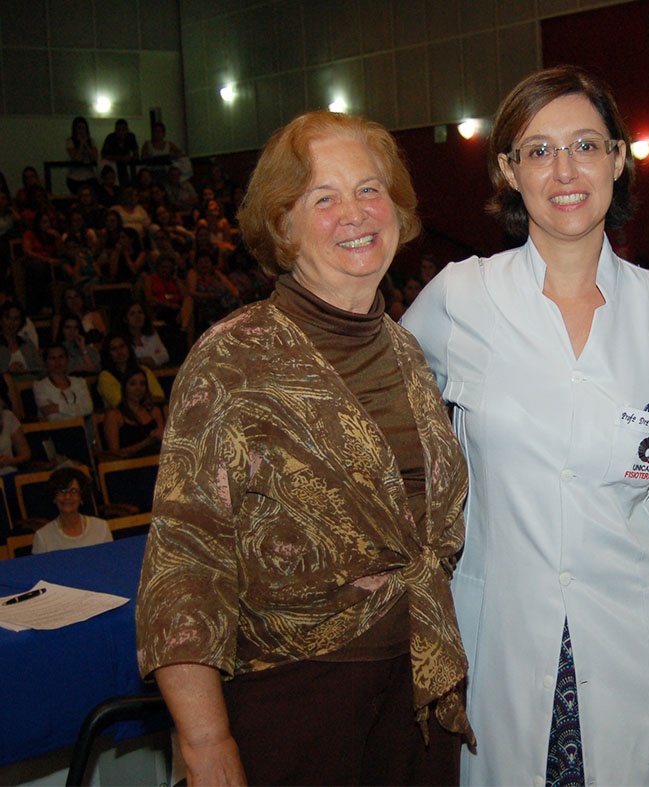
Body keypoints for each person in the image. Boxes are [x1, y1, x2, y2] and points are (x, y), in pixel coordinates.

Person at [136, 109, 472, 786]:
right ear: (283, 226)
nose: (354, 212)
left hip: (416, 688)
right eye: (324, 197)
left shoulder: (408, 351)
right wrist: (204, 740)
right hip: (293, 702)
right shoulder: (233, 357)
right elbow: (185, 559)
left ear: (398, 211)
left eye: (369, 189)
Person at [402, 65, 649, 787]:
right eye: (538, 150)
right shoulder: (462, 298)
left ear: (616, 159)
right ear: (509, 171)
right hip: (504, 626)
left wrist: (612, 487)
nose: (564, 169)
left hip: (633, 629)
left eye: (584, 144)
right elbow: (380, 411)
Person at [31, 467, 112, 554]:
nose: (67, 497)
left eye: (73, 491)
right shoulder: (43, 537)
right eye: (62, 491)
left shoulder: (101, 527)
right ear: (54, 497)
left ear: (81, 497)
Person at [102, 369, 164, 457]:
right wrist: (147, 442)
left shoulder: (154, 411)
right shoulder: (114, 415)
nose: (138, 388)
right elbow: (114, 454)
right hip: (128, 466)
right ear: (124, 387)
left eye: (142, 384)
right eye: (132, 384)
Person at [96, 332, 164, 409]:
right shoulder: (105, 377)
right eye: (114, 349)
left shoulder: (144, 370)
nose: (119, 352)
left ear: (128, 348)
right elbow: (119, 403)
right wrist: (146, 400)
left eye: (122, 346)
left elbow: (159, 397)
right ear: (108, 353)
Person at [34, 342, 95, 421]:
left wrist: (58, 408)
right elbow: (52, 417)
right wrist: (78, 409)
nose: (58, 362)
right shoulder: (39, 386)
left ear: (67, 359)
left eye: (61, 357)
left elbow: (88, 408)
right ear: (45, 362)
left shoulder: (80, 382)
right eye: (52, 358)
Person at [121, 302, 169, 369]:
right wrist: (143, 361)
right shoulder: (121, 339)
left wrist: (153, 360)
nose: (137, 316)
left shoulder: (152, 334)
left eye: (140, 312)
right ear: (125, 319)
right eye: (132, 314)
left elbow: (165, 355)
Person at [65, 117, 101, 194]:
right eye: (79, 128)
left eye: (83, 128)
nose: (81, 131)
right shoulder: (70, 141)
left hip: (89, 176)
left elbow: (95, 158)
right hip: (74, 177)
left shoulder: (91, 141)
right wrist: (81, 144)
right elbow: (76, 157)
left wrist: (86, 145)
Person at [101, 118, 139, 187]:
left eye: (123, 130)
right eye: (119, 130)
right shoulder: (110, 138)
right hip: (113, 166)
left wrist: (131, 158)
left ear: (127, 130)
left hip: (127, 166)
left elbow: (136, 153)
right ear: (115, 130)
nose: (121, 132)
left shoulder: (131, 137)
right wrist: (120, 158)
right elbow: (104, 155)